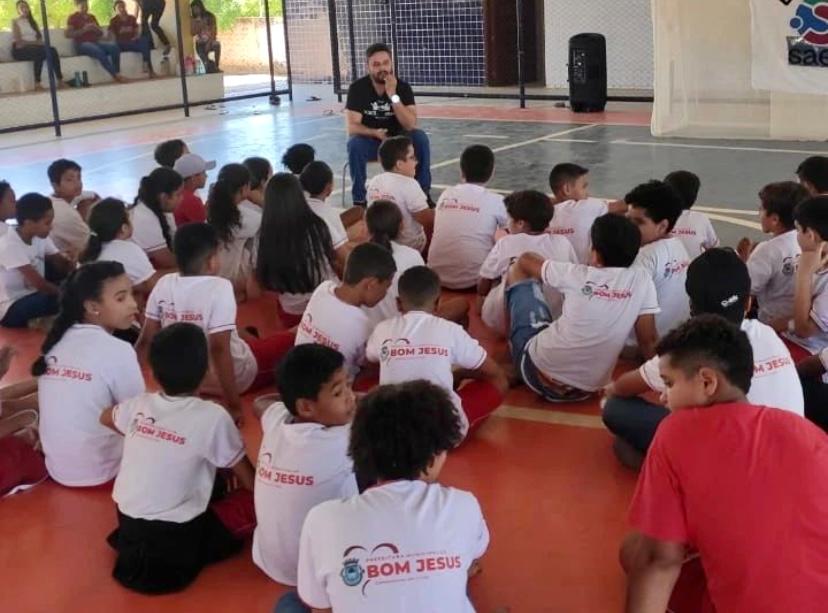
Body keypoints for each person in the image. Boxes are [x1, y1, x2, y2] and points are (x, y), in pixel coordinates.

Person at [621, 314, 828, 613]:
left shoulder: (677, 432)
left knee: (633, 551)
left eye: (669, 383)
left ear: (707, 382)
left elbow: (658, 560)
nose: (664, 397)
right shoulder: (805, 430)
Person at [283, 381, 488, 612]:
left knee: (289, 603)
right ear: (433, 458)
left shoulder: (321, 518)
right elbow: (473, 554)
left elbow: (320, 606)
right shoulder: (464, 505)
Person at [603, 248, 805, 469]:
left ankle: (673, 469)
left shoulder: (687, 350)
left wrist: (609, 392)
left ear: (691, 307)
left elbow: (621, 388)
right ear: (748, 303)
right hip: (790, 458)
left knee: (616, 410)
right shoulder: (767, 334)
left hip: (732, 465)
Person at [102, 323, 254, 594]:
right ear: (207, 371)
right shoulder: (213, 416)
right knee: (264, 499)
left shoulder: (140, 405)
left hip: (129, 529)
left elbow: (105, 417)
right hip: (177, 541)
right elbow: (250, 482)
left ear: (153, 373)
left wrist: (149, 435)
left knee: (213, 469)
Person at [138, 223, 295, 423]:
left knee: (245, 333)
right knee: (296, 337)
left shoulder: (164, 283)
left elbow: (146, 340)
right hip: (233, 376)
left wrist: (138, 389)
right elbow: (219, 348)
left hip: (184, 381)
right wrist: (234, 406)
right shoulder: (219, 287)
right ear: (211, 261)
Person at [506, 214, 659, 402]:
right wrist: (660, 380)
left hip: (536, 372)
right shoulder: (642, 280)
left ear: (595, 254)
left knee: (516, 268)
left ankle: (512, 359)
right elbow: (648, 340)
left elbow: (526, 260)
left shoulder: (576, 274)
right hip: (587, 390)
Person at [252, 344, 358, 586]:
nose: (351, 397)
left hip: (272, 563)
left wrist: (291, 398)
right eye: (338, 393)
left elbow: (260, 402)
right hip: (322, 571)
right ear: (306, 407)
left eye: (349, 386)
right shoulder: (342, 439)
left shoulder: (277, 419)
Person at [32, 262, 144, 487]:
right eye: (121, 298)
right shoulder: (118, 350)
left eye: (132, 294)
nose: (133, 304)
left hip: (58, 468)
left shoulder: (56, 342)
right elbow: (137, 416)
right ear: (93, 307)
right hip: (103, 469)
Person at [367, 266, 508, 438]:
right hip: (440, 434)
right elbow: (493, 371)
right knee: (499, 380)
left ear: (398, 303)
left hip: (390, 432)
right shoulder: (450, 330)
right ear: (438, 303)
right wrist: (463, 373)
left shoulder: (382, 329)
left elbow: (370, 360)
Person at [478, 190, 577, 337]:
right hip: (556, 320)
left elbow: (482, 285)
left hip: (511, 324)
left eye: (509, 219)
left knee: (494, 279)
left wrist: (483, 297)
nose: (507, 224)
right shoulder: (562, 242)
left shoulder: (506, 243)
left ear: (520, 223)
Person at [346, 43, 431, 207]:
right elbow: (352, 127)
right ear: (368, 67)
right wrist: (375, 132)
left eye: (385, 63)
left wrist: (393, 95)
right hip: (372, 141)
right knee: (354, 143)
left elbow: (410, 124)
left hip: (399, 141)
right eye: (376, 64)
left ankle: (423, 194)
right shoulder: (357, 88)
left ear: (391, 63)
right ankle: (359, 200)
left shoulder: (403, 87)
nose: (382, 68)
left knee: (420, 137)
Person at [294, 242, 395, 380]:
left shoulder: (322, 289)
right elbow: (370, 364)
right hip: (332, 389)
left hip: (297, 372)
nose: (385, 293)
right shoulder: (363, 325)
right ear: (370, 284)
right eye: (386, 287)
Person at [256, 173, 340, 325]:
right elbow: (337, 258)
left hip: (290, 312)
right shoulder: (317, 225)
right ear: (300, 195)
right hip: (325, 304)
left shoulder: (263, 234)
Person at [427, 145, 508, 290]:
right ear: (492, 172)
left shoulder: (446, 194)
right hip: (476, 281)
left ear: (461, 171)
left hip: (435, 277)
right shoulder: (497, 201)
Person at [626, 180, 691, 339]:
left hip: (640, 347)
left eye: (638, 222)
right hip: (676, 340)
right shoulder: (678, 246)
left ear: (662, 226)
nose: (628, 228)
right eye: (627, 220)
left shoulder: (643, 259)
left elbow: (645, 335)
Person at [737, 181, 809, 324]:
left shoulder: (767, 250)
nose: (759, 212)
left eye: (762, 209)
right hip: (803, 317)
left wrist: (743, 261)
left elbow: (745, 288)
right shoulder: (811, 241)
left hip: (772, 323)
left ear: (775, 219)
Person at [0, 194, 72, 328]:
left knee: (71, 281)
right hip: (11, 306)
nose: (51, 227)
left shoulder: (40, 236)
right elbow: (40, 285)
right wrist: (69, 293)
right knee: (61, 299)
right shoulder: (9, 245)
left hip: (34, 293)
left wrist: (69, 262)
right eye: (47, 223)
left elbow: (59, 260)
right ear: (28, 223)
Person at [774, 196, 828, 358]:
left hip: (812, 351)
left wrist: (804, 276)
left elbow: (804, 330)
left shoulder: (808, 264)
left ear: (810, 235)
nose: (796, 236)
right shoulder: (813, 258)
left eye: (798, 230)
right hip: (792, 336)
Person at [80, 198, 164, 297]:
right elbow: (151, 284)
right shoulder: (127, 249)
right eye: (129, 217)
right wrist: (178, 271)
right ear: (124, 228)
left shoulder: (87, 251)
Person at [548, 163, 627, 264]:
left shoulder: (543, 212)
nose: (587, 194)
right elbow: (624, 206)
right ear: (566, 189)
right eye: (584, 187)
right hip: (585, 270)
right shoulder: (586, 207)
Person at [366, 136, 433, 252]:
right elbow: (427, 220)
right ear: (399, 164)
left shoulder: (374, 182)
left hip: (380, 245)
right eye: (412, 157)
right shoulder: (409, 184)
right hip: (411, 245)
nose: (416, 161)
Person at [363, 199, 424, 326]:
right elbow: (422, 299)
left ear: (367, 228)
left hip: (365, 328)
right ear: (401, 226)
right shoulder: (412, 256)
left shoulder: (356, 256)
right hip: (400, 329)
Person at [208, 163, 260, 291]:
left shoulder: (211, 210)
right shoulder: (249, 217)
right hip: (234, 278)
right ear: (244, 188)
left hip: (212, 273)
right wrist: (260, 200)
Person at [299, 161, 351, 270]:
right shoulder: (328, 213)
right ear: (328, 187)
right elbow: (343, 255)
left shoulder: (297, 205)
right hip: (323, 271)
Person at [129, 166, 181, 269]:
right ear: (164, 197)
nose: (181, 199)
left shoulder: (164, 211)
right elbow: (167, 261)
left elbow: (176, 244)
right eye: (178, 195)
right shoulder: (144, 218)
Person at [65, 0, 126, 83]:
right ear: (77, 6)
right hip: (82, 44)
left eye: (86, 5)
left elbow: (100, 33)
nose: (85, 8)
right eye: (82, 6)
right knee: (99, 52)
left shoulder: (92, 17)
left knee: (114, 47)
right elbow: (68, 34)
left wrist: (95, 28)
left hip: (95, 42)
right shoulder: (73, 18)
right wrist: (84, 29)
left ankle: (117, 72)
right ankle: (115, 75)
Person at [11, 0, 66, 89]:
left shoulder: (32, 22)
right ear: (18, 10)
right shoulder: (15, 21)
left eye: (26, 7)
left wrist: (37, 43)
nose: (24, 9)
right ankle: (37, 83)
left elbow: (39, 39)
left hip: (34, 48)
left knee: (52, 50)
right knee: (39, 52)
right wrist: (35, 43)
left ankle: (60, 80)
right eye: (22, 7)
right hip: (20, 50)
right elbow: (19, 42)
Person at [664, 170, 718, 258]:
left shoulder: (656, 218)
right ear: (695, 197)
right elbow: (713, 248)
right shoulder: (701, 219)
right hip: (695, 266)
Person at [47, 158, 94, 256]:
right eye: (69, 180)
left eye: (79, 178)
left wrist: (94, 196)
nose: (77, 183)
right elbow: (91, 242)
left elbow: (88, 195)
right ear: (55, 186)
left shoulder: (51, 199)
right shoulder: (65, 214)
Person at [110, 0, 153, 77]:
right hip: (121, 44)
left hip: (133, 42)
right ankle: (117, 73)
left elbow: (137, 32)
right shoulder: (114, 21)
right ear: (115, 10)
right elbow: (112, 35)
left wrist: (136, 37)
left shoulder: (131, 18)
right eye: (119, 7)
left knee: (145, 40)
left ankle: (146, 64)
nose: (122, 9)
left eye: (123, 6)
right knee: (116, 45)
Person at [172, 153, 213, 226]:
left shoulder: (176, 194)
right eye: (203, 172)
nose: (206, 176)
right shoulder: (191, 200)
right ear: (193, 178)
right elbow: (205, 228)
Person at [190, 0, 220, 73]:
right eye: (193, 9)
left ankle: (216, 66)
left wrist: (209, 42)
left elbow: (214, 31)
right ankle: (209, 66)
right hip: (200, 43)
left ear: (201, 7)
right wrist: (198, 24)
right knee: (205, 63)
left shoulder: (209, 16)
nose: (195, 11)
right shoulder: (193, 19)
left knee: (217, 45)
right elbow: (193, 33)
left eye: (196, 8)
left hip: (211, 41)